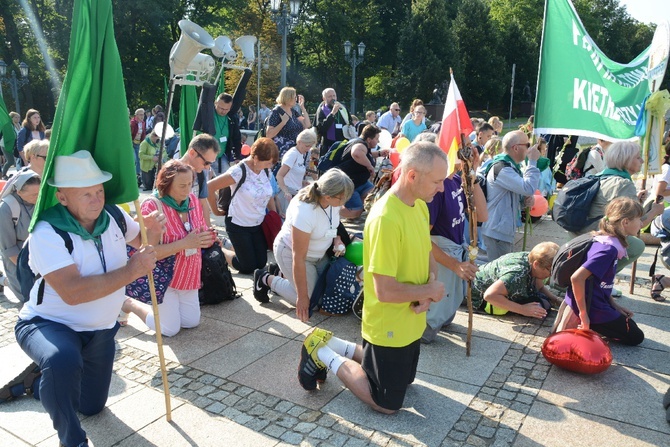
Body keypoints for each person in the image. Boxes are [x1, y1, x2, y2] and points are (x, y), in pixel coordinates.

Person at [9, 151, 161, 447]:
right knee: (62, 359)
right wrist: (132, 270)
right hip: (48, 323)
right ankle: (72, 440)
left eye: (99, 191)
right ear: (63, 198)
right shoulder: (47, 231)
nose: (96, 200)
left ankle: (37, 383)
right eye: (86, 194)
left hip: (101, 329)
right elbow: (73, 292)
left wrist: (152, 231)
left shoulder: (114, 216)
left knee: (92, 406)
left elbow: (145, 248)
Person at [297, 141, 446, 413]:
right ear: (412, 176)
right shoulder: (386, 218)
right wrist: (428, 292)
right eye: (437, 181)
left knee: (406, 380)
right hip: (387, 325)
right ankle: (321, 352)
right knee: (386, 403)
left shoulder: (420, 206)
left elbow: (428, 256)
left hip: (410, 321)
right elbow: (384, 291)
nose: (442, 188)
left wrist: (428, 291)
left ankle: (333, 343)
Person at [121, 160, 216, 336]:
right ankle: (129, 304)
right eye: (182, 185)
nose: (187, 190)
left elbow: (199, 232)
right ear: (166, 185)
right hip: (164, 278)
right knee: (170, 330)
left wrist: (207, 237)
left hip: (188, 274)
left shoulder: (192, 201)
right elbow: (148, 251)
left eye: (190, 184)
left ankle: (166, 309)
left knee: (191, 322)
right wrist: (185, 243)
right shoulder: (153, 205)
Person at [253, 169, 354, 308]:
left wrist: (337, 240)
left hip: (318, 255)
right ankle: (266, 279)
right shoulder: (305, 212)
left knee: (331, 292)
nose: (345, 201)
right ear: (328, 196)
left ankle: (281, 272)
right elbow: (298, 257)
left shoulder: (330, 201)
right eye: (342, 198)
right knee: (314, 301)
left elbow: (331, 225)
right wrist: (301, 297)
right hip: (293, 254)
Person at [422, 137, 488, 343]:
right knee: (429, 326)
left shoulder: (458, 179)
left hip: (453, 255)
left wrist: (472, 175)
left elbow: (482, 216)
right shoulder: (436, 188)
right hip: (442, 261)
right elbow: (422, 239)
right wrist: (455, 265)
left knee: (447, 313)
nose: (469, 152)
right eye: (464, 149)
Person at [570, 141, 664, 282]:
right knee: (637, 245)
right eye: (638, 157)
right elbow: (635, 225)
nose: (642, 161)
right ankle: (598, 280)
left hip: (578, 231)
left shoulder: (603, 175)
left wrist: (637, 202)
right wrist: (654, 212)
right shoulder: (624, 184)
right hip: (594, 236)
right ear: (626, 160)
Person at [560, 197, 645, 345]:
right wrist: (584, 315)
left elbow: (600, 283)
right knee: (637, 337)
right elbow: (577, 278)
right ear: (625, 222)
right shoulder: (608, 250)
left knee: (631, 326)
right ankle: (592, 328)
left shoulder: (605, 239)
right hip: (593, 309)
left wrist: (615, 306)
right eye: (639, 219)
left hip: (596, 302)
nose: (642, 224)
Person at [207, 137, 279, 273]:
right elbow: (209, 186)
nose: (270, 166)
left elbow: (268, 193)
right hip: (238, 223)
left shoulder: (266, 171)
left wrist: (273, 215)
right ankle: (221, 249)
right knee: (247, 267)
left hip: (257, 223)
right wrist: (215, 211)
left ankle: (233, 246)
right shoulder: (239, 171)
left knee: (261, 263)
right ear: (256, 158)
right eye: (268, 163)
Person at [480, 130, 541, 261]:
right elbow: (528, 187)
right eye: (527, 145)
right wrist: (532, 162)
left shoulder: (510, 166)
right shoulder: (502, 168)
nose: (530, 148)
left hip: (501, 230)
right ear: (516, 147)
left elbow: (512, 196)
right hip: (497, 231)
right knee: (499, 274)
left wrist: (524, 201)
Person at [472, 242, 561, 318]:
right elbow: (489, 295)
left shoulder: (532, 258)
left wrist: (556, 300)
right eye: (550, 271)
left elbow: (539, 286)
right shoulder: (517, 274)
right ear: (536, 264)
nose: (551, 275)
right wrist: (523, 309)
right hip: (469, 290)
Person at [0, 170, 40, 299]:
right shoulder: (6, 208)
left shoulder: (39, 202)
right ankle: (5, 281)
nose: (38, 197)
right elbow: (9, 248)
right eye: (34, 194)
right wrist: (27, 270)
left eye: (40, 192)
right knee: (27, 297)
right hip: (17, 258)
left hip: (38, 255)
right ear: (19, 192)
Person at [337, 124, 388, 219]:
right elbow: (356, 153)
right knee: (356, 212)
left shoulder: (361, 144)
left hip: (361, 183)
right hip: (350, 185)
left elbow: (365, 154)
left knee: (374, 195)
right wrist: (370, 167)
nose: (378, 141)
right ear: (369, 139)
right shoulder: (360, 144)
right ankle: (331, 208)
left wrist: (379, 153)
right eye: (377, 139)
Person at [179, 133, 221, 228]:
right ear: (192, 153)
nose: (207, 168)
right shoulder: (170, 174)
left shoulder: (201, 172)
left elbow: (203, 203)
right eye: (206, 163)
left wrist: (209, 229)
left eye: (210, 164)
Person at [275, 128, 317, 217]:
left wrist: (302, 182)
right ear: (299, 142)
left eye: (310, 146)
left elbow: (291, 173)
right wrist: (286, 192)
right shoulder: (293, 154)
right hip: (287, 195)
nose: (309, 148)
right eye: (307, 146)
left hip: (294, 193)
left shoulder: (300, 154)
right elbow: (279, 175)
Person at [266, 87, 311, 166]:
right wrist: (283, 122)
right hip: (283, 152)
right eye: (294, 97)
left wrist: (303, 108)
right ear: (287, 97)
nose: (295, 100)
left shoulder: (293, 111)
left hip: (296, 149)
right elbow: (269, 134)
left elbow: (307, 124)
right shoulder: (276, 111)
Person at [314, 88, 353, 155]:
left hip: (343, 143)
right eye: (329, 96)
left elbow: (350, 122)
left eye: (334, 95)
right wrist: (332, 113)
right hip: (329, 146)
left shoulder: (342, 108)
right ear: (324, 98)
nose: (333, 98)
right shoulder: (321, 110)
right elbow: (322, 128)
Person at [211, 93, 242, 175]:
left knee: (227, 176)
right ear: (215, 103)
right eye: (221, 108)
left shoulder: (232, 118)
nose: (223, 111)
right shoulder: (209, 115)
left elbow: (236, 137)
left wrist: (237, 156)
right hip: (205, 155)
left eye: (226, 109)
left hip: (221, 156)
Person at [1, 111, 21, 179]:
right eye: (16, 117)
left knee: (19, 160)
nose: (18, 119)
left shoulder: (18, 125)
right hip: (6, 145)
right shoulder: (9, 125)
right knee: (10, 161)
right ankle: (3, 174)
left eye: (19, 117)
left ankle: (19, 174)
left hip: (15, 145)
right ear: (11, 118)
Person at [129, 108, 146, 185]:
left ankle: (138, 175)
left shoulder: (142, 123)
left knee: (139, 159)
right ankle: (133, 174)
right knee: (134, 158)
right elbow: (130, 133)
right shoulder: (132, 122)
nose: (143, 116)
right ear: (136, 115)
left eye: (143, 114)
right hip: (132, 143)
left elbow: (143, 133)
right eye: (141, 114)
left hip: (138, 143)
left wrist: (143, 142)